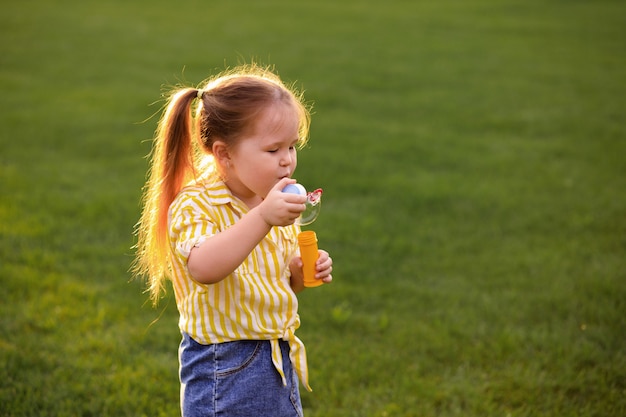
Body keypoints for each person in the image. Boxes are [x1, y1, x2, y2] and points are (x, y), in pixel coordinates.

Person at [132, 64, 334, 417]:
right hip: (224, 368)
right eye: (273, 150)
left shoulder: (273, 201)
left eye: (292, 146)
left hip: (276, 358)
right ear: (225, 154)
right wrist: (262, 218)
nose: (287, 160)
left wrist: (302, 272)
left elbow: (279, 281)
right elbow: (205, 267)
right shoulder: (196, 204)